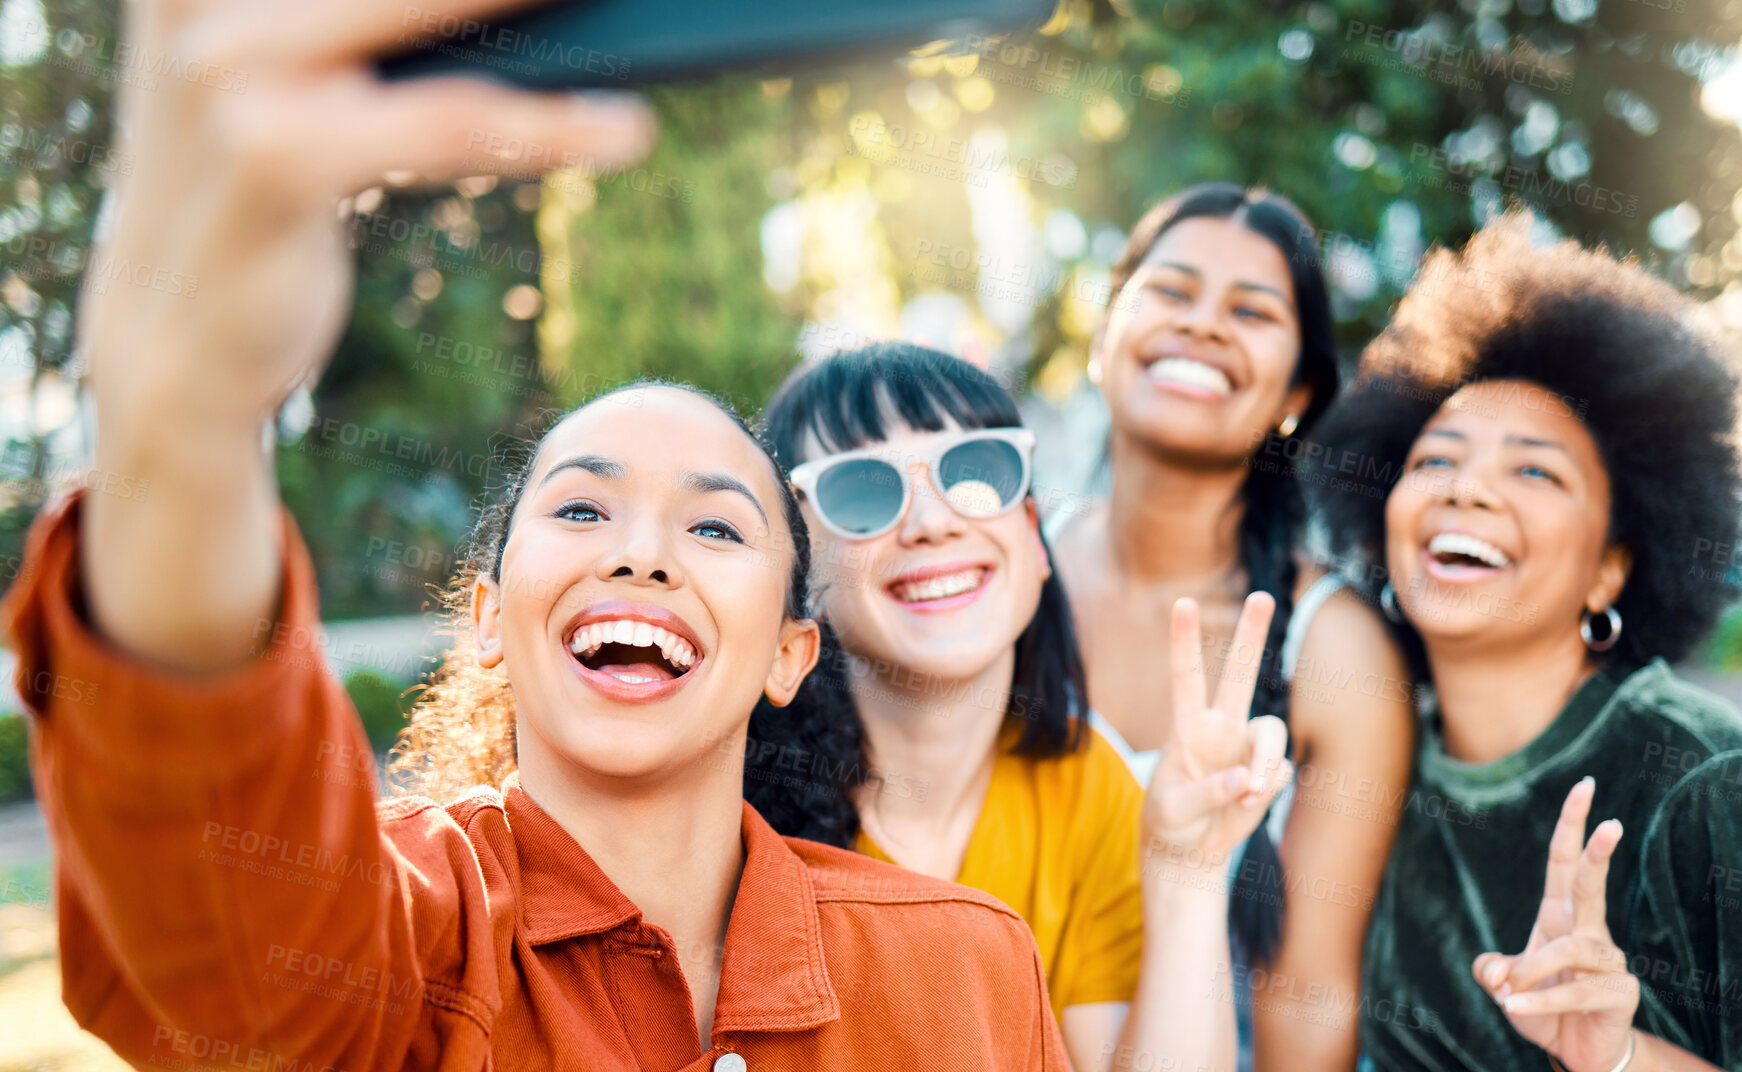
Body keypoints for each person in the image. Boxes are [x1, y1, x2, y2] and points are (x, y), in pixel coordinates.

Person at [2, 1, 1071, 1067]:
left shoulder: (967, 972)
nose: (639, 554)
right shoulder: (391, 952)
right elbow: (223, 927)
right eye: (578, 508)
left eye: (713, 523)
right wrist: (186, 417)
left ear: (791, 652)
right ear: (488, 617)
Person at [1305, 212, 1742, 1072]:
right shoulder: (1378, 769)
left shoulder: (1710, 783)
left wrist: (1616, 1057)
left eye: (1534, 469)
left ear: (1610, 568)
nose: (1468, 490)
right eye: (1433, 460)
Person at [748, 342, 1296, 1072]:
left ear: (1034, 536)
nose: (931, 522)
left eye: (976, 477)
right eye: (862, 491)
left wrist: (1188, 871)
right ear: (795, 568)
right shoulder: (728, 809)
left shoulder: (1086, 785)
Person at [1048, 182, 1414, 1069]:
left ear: (1294, 392)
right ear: (1102, 341)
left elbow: (1310, 989)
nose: (1203, 325)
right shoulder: (1008, 567)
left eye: (1250, 311)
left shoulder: (1334, 649)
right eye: (1170, 292)